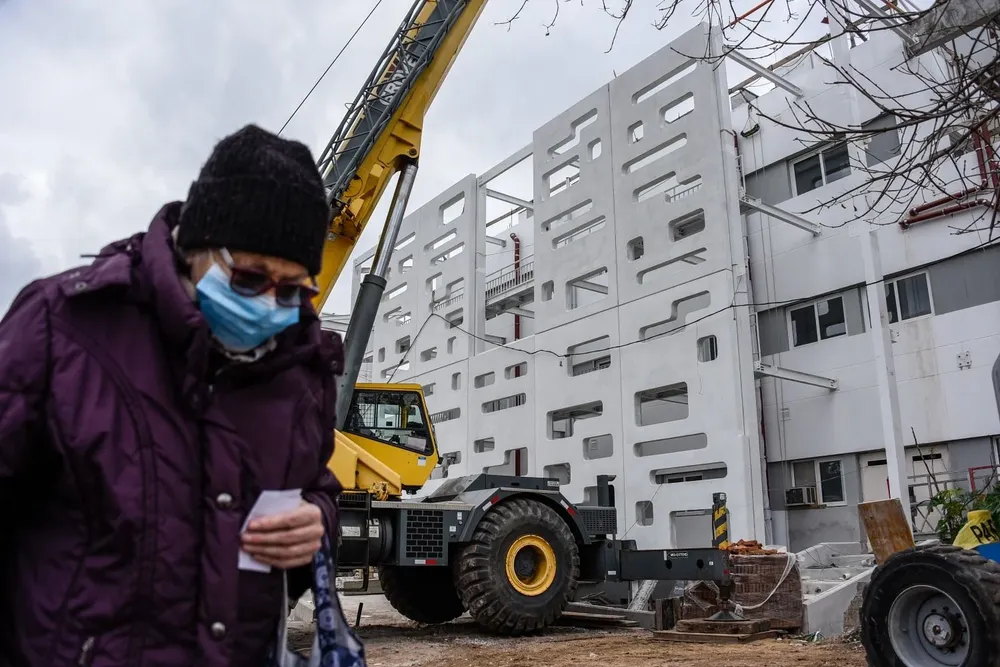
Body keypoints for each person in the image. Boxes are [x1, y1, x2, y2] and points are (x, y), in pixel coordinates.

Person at [0, 124, 345, 667]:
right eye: (250, 279)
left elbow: (318, 488)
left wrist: (317, 520)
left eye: (293, 288)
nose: (270, 304)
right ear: (196, 247)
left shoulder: (302, 371)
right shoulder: (61, 330)